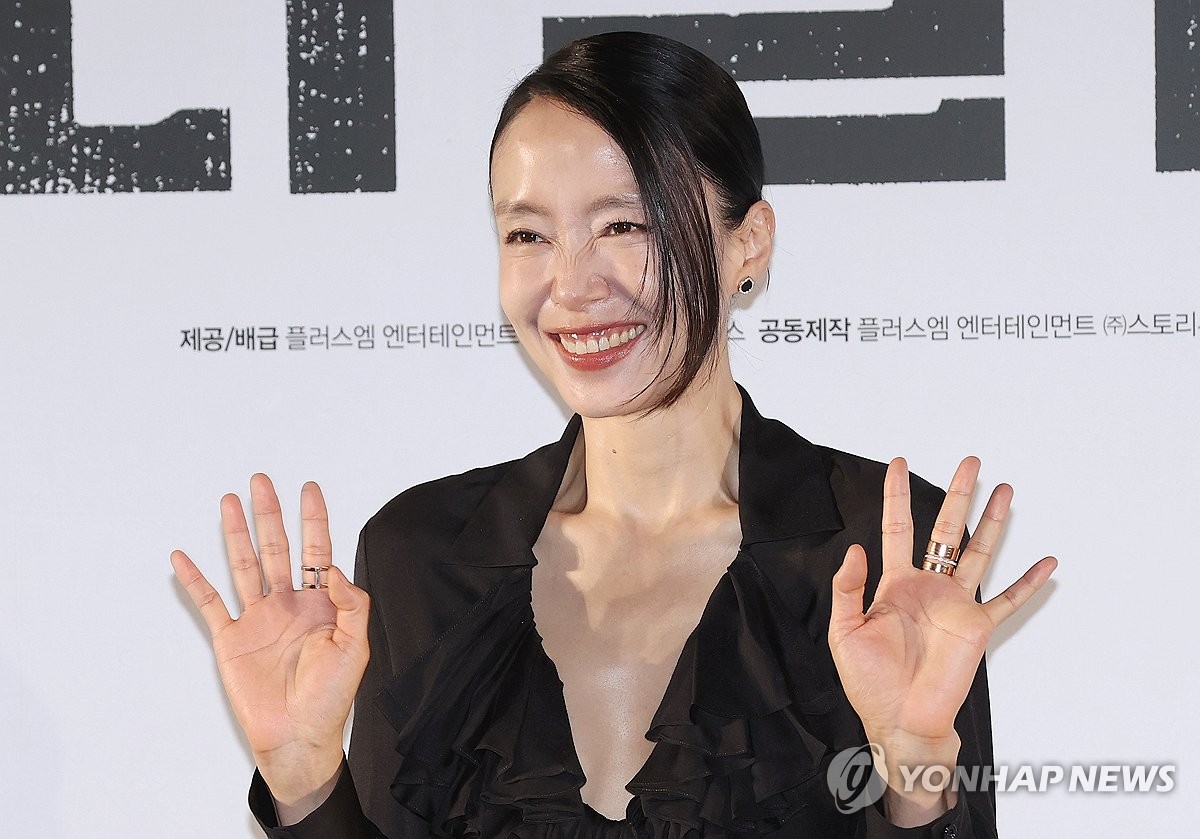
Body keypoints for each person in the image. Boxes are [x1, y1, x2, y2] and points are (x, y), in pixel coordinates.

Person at [172, 31, 1056, 839]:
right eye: (527, 233)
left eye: (623, 224)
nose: (570, 283)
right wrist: (301, 782)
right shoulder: (419, 558)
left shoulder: (883, 556)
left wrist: (916, 773)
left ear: (748, 241)